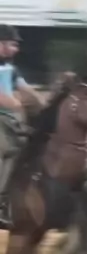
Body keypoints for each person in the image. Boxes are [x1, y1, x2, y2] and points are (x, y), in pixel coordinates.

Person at [0, 24, 43, 224]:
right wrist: (16, 103)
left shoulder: (10, 68)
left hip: (8, 119)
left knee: (19, 153)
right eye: (12, 44)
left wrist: (44, 105)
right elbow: (4, 98)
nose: (15, 49)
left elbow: (26, 89)